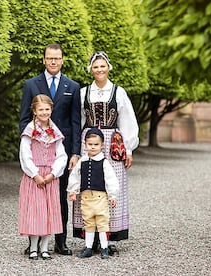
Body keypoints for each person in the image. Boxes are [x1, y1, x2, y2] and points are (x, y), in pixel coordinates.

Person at [72, 51, 139, 256]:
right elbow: (80, 120)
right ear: (91, 69)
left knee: (111, 185)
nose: (99, 70)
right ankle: (89, 238)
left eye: (103, 66)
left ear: (108, 67)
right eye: (96, 66)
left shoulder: (118, 92)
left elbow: (127, 119)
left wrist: (128, 148)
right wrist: (78, 149)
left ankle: (108, 238)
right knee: (88, 184)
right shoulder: (84, 93)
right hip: (89, 141)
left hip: (111, 142)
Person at [19, 43, 81, 255]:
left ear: (63, 59)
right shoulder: (31, 85)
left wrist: (75, 153)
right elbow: (23, 120)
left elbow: (75, 122)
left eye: (57, 58)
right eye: (49, 58)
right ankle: (33, 242)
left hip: (60, 155)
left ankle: (60, 240)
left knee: (59, 198)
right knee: (34, 200)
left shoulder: (72, 86)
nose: (53, 61)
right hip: (37, 155)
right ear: (44, 59)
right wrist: (30, 142)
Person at [18, 94, 68, 260]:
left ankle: (45, 247)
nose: (44, 112)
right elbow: (25, 155)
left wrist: (54, 173)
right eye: (41, 109)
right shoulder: (29, 131)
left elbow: (61, 155)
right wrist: (34, 174)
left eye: (47, 109)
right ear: (34, 111)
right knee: (35, 211)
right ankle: (33, 247)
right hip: (35, 176)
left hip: (50, 177)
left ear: (51, 110)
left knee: (49, 211)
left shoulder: (55, 132)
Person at [67, 128, 119, 259]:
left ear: (102, 145)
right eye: (90, 144)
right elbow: (75, 176)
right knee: (88, 223)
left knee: (102, 222)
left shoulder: (104, 162)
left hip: (100, 198)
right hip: (85, 198)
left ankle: (104, 247)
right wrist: (73, 190)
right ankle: (88, 247)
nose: (93, 147)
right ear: (85, 145)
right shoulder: (82, 161)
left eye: (96, 144)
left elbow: (111, 179)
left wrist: (113, 195)